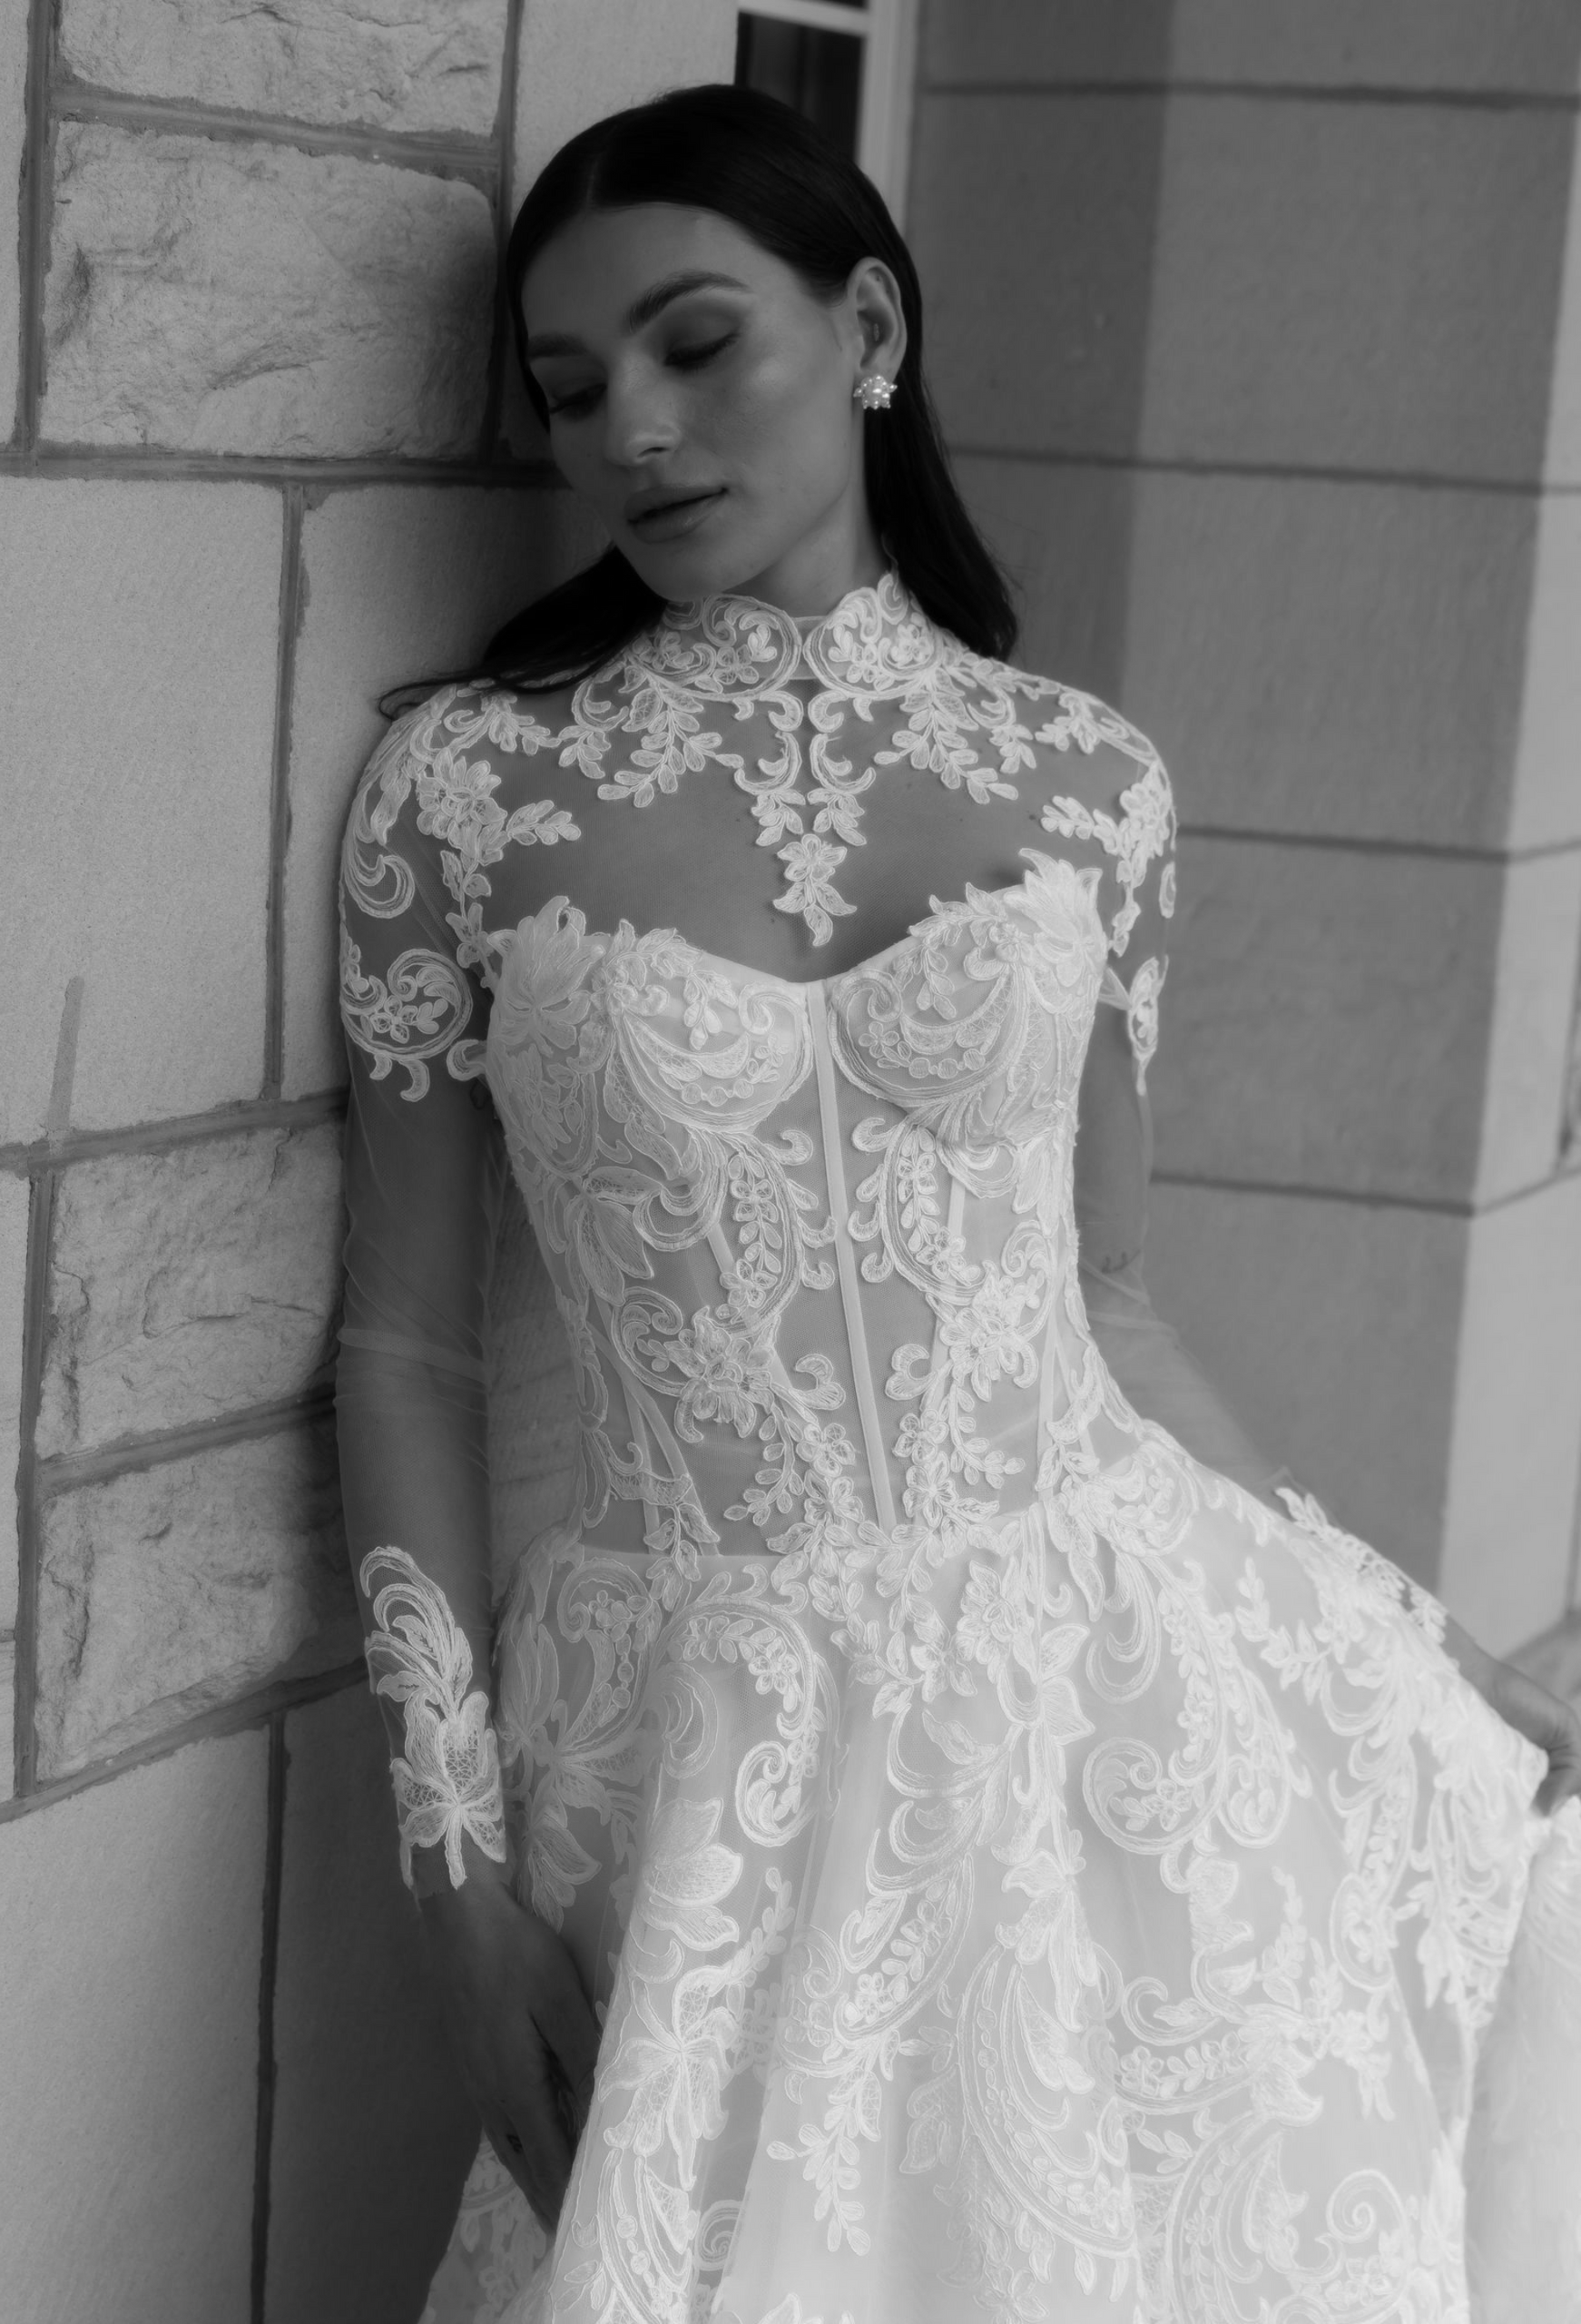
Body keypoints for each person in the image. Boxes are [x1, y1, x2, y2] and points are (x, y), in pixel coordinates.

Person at [333, 84, 1581, 2324]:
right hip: (700, 1724)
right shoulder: (465, 787)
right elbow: (406, 1339)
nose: (634, 424)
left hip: (1095, 1679)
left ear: (873, 326)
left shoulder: (1091, 782)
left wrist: (1423, 1640)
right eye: (570, 386)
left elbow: (1098, 1295)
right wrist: (451, 1866)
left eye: (700, 343)